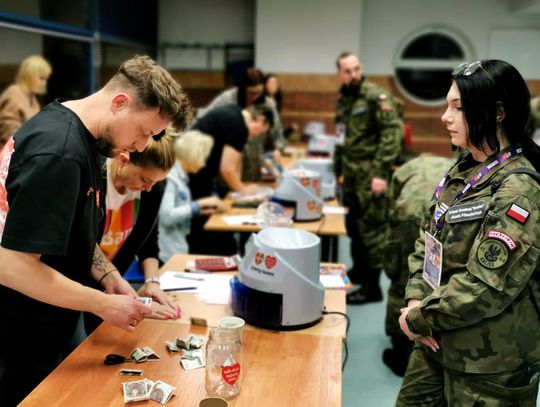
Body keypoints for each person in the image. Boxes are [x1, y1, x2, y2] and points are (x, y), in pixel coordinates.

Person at [0, 54, 190, 406]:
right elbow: (11, 265)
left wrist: (109, 277)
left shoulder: (88, 142)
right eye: (144, 132)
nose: (143, 146)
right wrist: (103, 304)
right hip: (16, 333)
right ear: (120, 103)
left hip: (49, 321)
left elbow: (70, 233)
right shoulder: (60, 153)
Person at [396, 60, 540, 405]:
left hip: (489, 363)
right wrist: (416, 297)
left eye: (457, 108)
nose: (445, 116)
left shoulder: (517, 190)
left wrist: (418, 317)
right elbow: (428, 234)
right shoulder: (466, 165)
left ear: (498, 113)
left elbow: (485, 286)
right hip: (437, 337)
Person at [84, 133, 182, 335]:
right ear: (123, 160)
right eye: (144, 179)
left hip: (112, 287)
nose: (148, 188)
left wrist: (152, 282)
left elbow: (148, 242)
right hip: (78, 284)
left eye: (155, 182)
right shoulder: (95, 181)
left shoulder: (152, 189)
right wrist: (114, 282)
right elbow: (82, 242)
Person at [334, 51, 403, 305]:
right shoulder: (344, 99)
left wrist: (380, 173)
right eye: (347, 70)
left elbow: (392, 134)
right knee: (354, 226)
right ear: (339, 73)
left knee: (372, 230)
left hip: (371, 175)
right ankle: (360, 271)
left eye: (356, 68)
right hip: (351, 176)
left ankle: (372, 288)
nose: (353, 74)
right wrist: (337, 172)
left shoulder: (376, 96)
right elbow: (342, 139)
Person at [382, 153, 455, 377]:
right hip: (440, 218)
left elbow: (390, 205)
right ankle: (426, 334)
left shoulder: (405, 169)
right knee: (433, 276)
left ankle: (400, 351)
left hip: (408, 214)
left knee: (400, 278)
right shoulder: (457, 166)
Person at [188, 104, 273, 255]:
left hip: (195, 170)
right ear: (260, 120)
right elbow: (227, 169)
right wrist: (244, 190)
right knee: (207, 230)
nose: (258, 135)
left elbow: (235, 161)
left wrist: (239, 185)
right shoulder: (238, 126)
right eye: (262, 131)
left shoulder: (234, 112)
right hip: (196, 173)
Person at [196, 67, 285, 182]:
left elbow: (278, 134)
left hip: (253, 165)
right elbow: (204, 117)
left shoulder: (268, 104)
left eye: (259, 92)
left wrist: (278, 149)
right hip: (226, 164)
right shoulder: (228, 99)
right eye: (251, 93)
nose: (255, 97)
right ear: (242, 88)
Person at [158, 130, 224, 263]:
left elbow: (180, 207)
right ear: (194, 154)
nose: (204, 164)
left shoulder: (180, 177)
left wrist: (200, 210)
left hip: (177, 245)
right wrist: (198, 205)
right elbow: (167, 216)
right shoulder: (171, 178)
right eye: (203, 157)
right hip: (167, 252)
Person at [0, 55, 52, 149]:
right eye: (41, 78)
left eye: (46, 79)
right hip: (10, 155)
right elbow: (9, 132)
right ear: (29, 76)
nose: (44, 83)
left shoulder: (33, 98)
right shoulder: (14, 93)